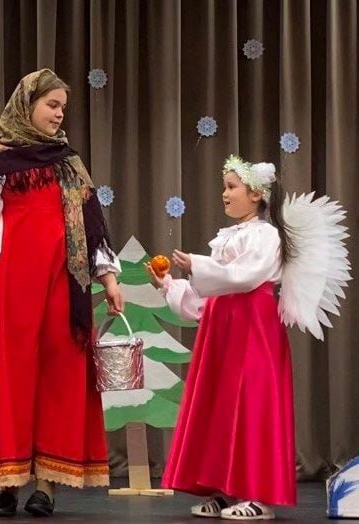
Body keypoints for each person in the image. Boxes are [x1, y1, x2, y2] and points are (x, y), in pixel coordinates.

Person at [0, 69, 123, 518]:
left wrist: (107, 276)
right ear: (27, 104)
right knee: (9, 377)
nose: (58, 114)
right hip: (11, 282)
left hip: (63, 285)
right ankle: (6, 482)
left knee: (58, 378)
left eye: (62, 107)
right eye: (52, 105)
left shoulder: (68, 161)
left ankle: (46, 485)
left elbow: (90, 225)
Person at [149, 154, 349, 520]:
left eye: (231, 187)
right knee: (224, 406)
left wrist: (197, 265)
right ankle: (226, 489)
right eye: (224, 187)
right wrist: (171, 287)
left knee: (253, 406)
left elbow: (243, 277)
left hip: (253, 329)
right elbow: (212, 296)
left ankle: (259, 495)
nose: (224, 194)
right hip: (224, 330)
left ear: (255, 194)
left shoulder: (266, 235)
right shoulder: (230, 237)